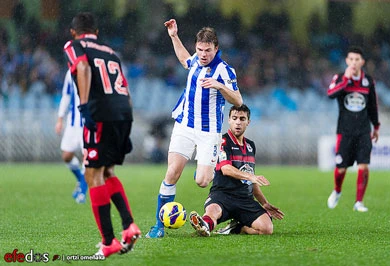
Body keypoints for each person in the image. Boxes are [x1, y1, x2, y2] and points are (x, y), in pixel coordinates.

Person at [145, 19, 243, 238]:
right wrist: (173, 36)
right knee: (172, 173)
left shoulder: (224, 70)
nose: (203, 54)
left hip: (209, 132)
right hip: (185, 126)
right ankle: (158, 226)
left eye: (207, 50)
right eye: (199, 50)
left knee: (202, 181)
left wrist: (219, 86)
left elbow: (238, 100)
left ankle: (228, 202)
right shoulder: (196, 61)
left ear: (216, 49)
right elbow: (183, 59)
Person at [63, 12, 140, 257]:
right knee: (107, 172)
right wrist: (125, 121)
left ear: (73, 32)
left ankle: (109, 241)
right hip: (122, 113)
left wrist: (84, 107)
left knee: (92, 174)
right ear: (96, 32)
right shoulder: (109, 51)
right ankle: (128, 225)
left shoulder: (73, 45)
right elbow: (125, 88)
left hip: (100, 114)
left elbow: (83, 67)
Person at [189, 104, 284, 236]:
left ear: (248, 122)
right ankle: (204, 226)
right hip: (222, 195)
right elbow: (226, 169)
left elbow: (251, 178)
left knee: (267, 229)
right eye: (234, 118)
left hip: (245, 200)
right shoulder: (222, 141)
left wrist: (264, 203)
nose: (238, 122)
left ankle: (237, 228)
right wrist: (251, 177)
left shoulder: (251, 145)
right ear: (229, 120)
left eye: (242, 119)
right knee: (213, 211)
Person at [327, 46, 380, 212]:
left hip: (364, 130)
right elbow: (330, 94)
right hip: (345, 131)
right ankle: (337, 190)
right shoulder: (340, 77)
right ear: (347, 61)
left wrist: (376, 126)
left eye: (357, 59)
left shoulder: (368, 81)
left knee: (363, 166)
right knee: (341, 168)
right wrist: (345, 81)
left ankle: (359, 202)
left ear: (362, 62)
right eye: (351, 59)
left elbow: (372, 105)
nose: (354, 62)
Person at [55, 69, 87, 204]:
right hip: (73, 123)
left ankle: (82, 191)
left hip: (89, 123)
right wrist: (60, 118)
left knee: (87, 157)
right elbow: (66, 95)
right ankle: (81, 179)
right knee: (67, 156)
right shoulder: (70, 72)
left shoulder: (93, 70)